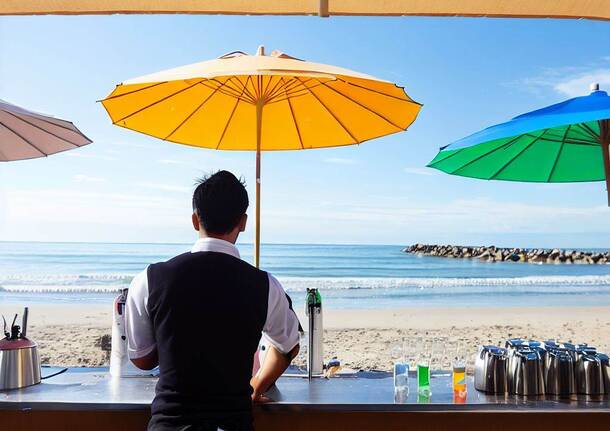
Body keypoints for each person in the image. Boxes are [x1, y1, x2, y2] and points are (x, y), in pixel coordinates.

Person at [125, 170, 301, 431]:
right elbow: (289, 346)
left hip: (170, 424)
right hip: (232, 424)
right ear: (242, 222)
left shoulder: (150, 279)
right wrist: (258, 384)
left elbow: (142, 359)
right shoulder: (264, 285)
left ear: (195, 220)